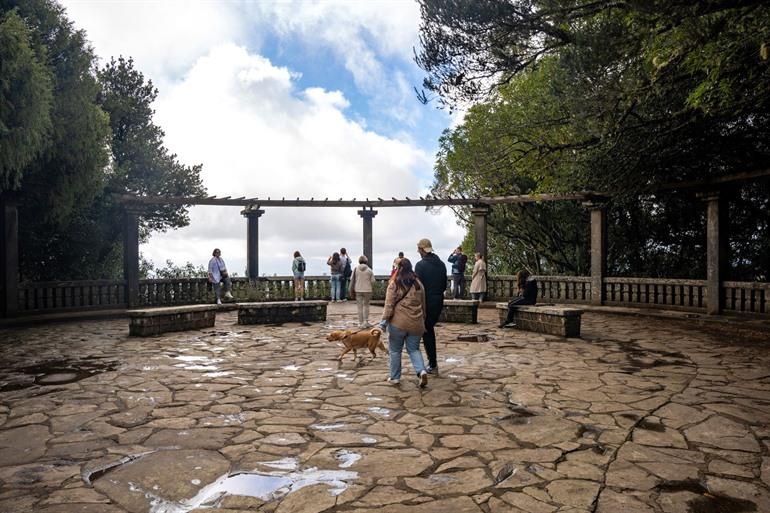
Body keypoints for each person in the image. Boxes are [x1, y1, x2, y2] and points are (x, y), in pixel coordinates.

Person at [379, 258, 429, 388]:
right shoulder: (418, 283)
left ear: (398, 268)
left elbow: (389, 305)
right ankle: (421, 371)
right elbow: (423, 304)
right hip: (416, 323)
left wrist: (383, 324)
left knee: (395, 350)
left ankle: (395, 377)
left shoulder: (394, 284)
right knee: (414, 349)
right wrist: (423, 319)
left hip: (398, 323)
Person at [414, 238, 447, 375]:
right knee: (428, 329)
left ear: (422, 250)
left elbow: (418, 287)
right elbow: (444, 285)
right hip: (438, 300)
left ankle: (432, 364)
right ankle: (432, 363)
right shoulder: (442, 264)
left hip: (426, 301)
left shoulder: (420, 265)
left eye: (419, 250)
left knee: (426, 331)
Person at [350, 255, 376, 327]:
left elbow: (351, 279)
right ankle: (366, 321)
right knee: (366, 305)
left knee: (359, 306)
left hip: (358, 289)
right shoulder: (369, 270)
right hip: (367, 290)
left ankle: (360, 322)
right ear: (366, 261)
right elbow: (373, 281)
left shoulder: (355, 269)